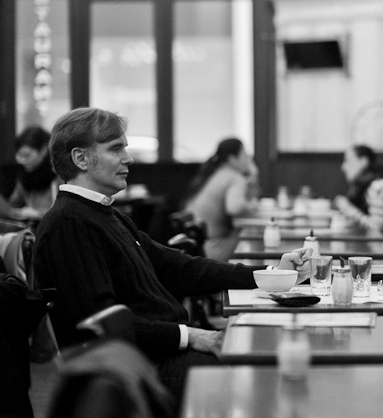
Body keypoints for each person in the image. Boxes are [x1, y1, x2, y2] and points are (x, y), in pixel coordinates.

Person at [33, 107, 311, 402]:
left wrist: (268, 275)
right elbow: (104, 327)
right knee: (264, 374)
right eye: (116, 149)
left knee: (270, 354)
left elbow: (180, 268)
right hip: (137, 370)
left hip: (161, 352)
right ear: (81, 158)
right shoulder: (70, 224)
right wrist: (193, 335)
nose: (128, 158)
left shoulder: (103, 214)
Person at [183, 138, 259, 261]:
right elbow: (235, 207)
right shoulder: (234, 177)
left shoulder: (216, 172)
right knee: (251, 236)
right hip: (214, 249)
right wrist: (253, 206)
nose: (248, 159)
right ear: (232, 158)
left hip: (199, 248)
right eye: (244, 154)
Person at [333, 144, 383, 233]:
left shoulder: (378, 187)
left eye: (347, 160)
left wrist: (350, 210)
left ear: (363, 161)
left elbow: (378, 229)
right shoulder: (368, 185)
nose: (343, 167)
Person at [11, 125, 58, 219]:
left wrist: (37, 214)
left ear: (43, 150)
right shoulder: (24, 175)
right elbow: (14, 203)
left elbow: (65, 214)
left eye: (27, 155)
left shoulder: (59, 175)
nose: (22, 160)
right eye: (19, 155)